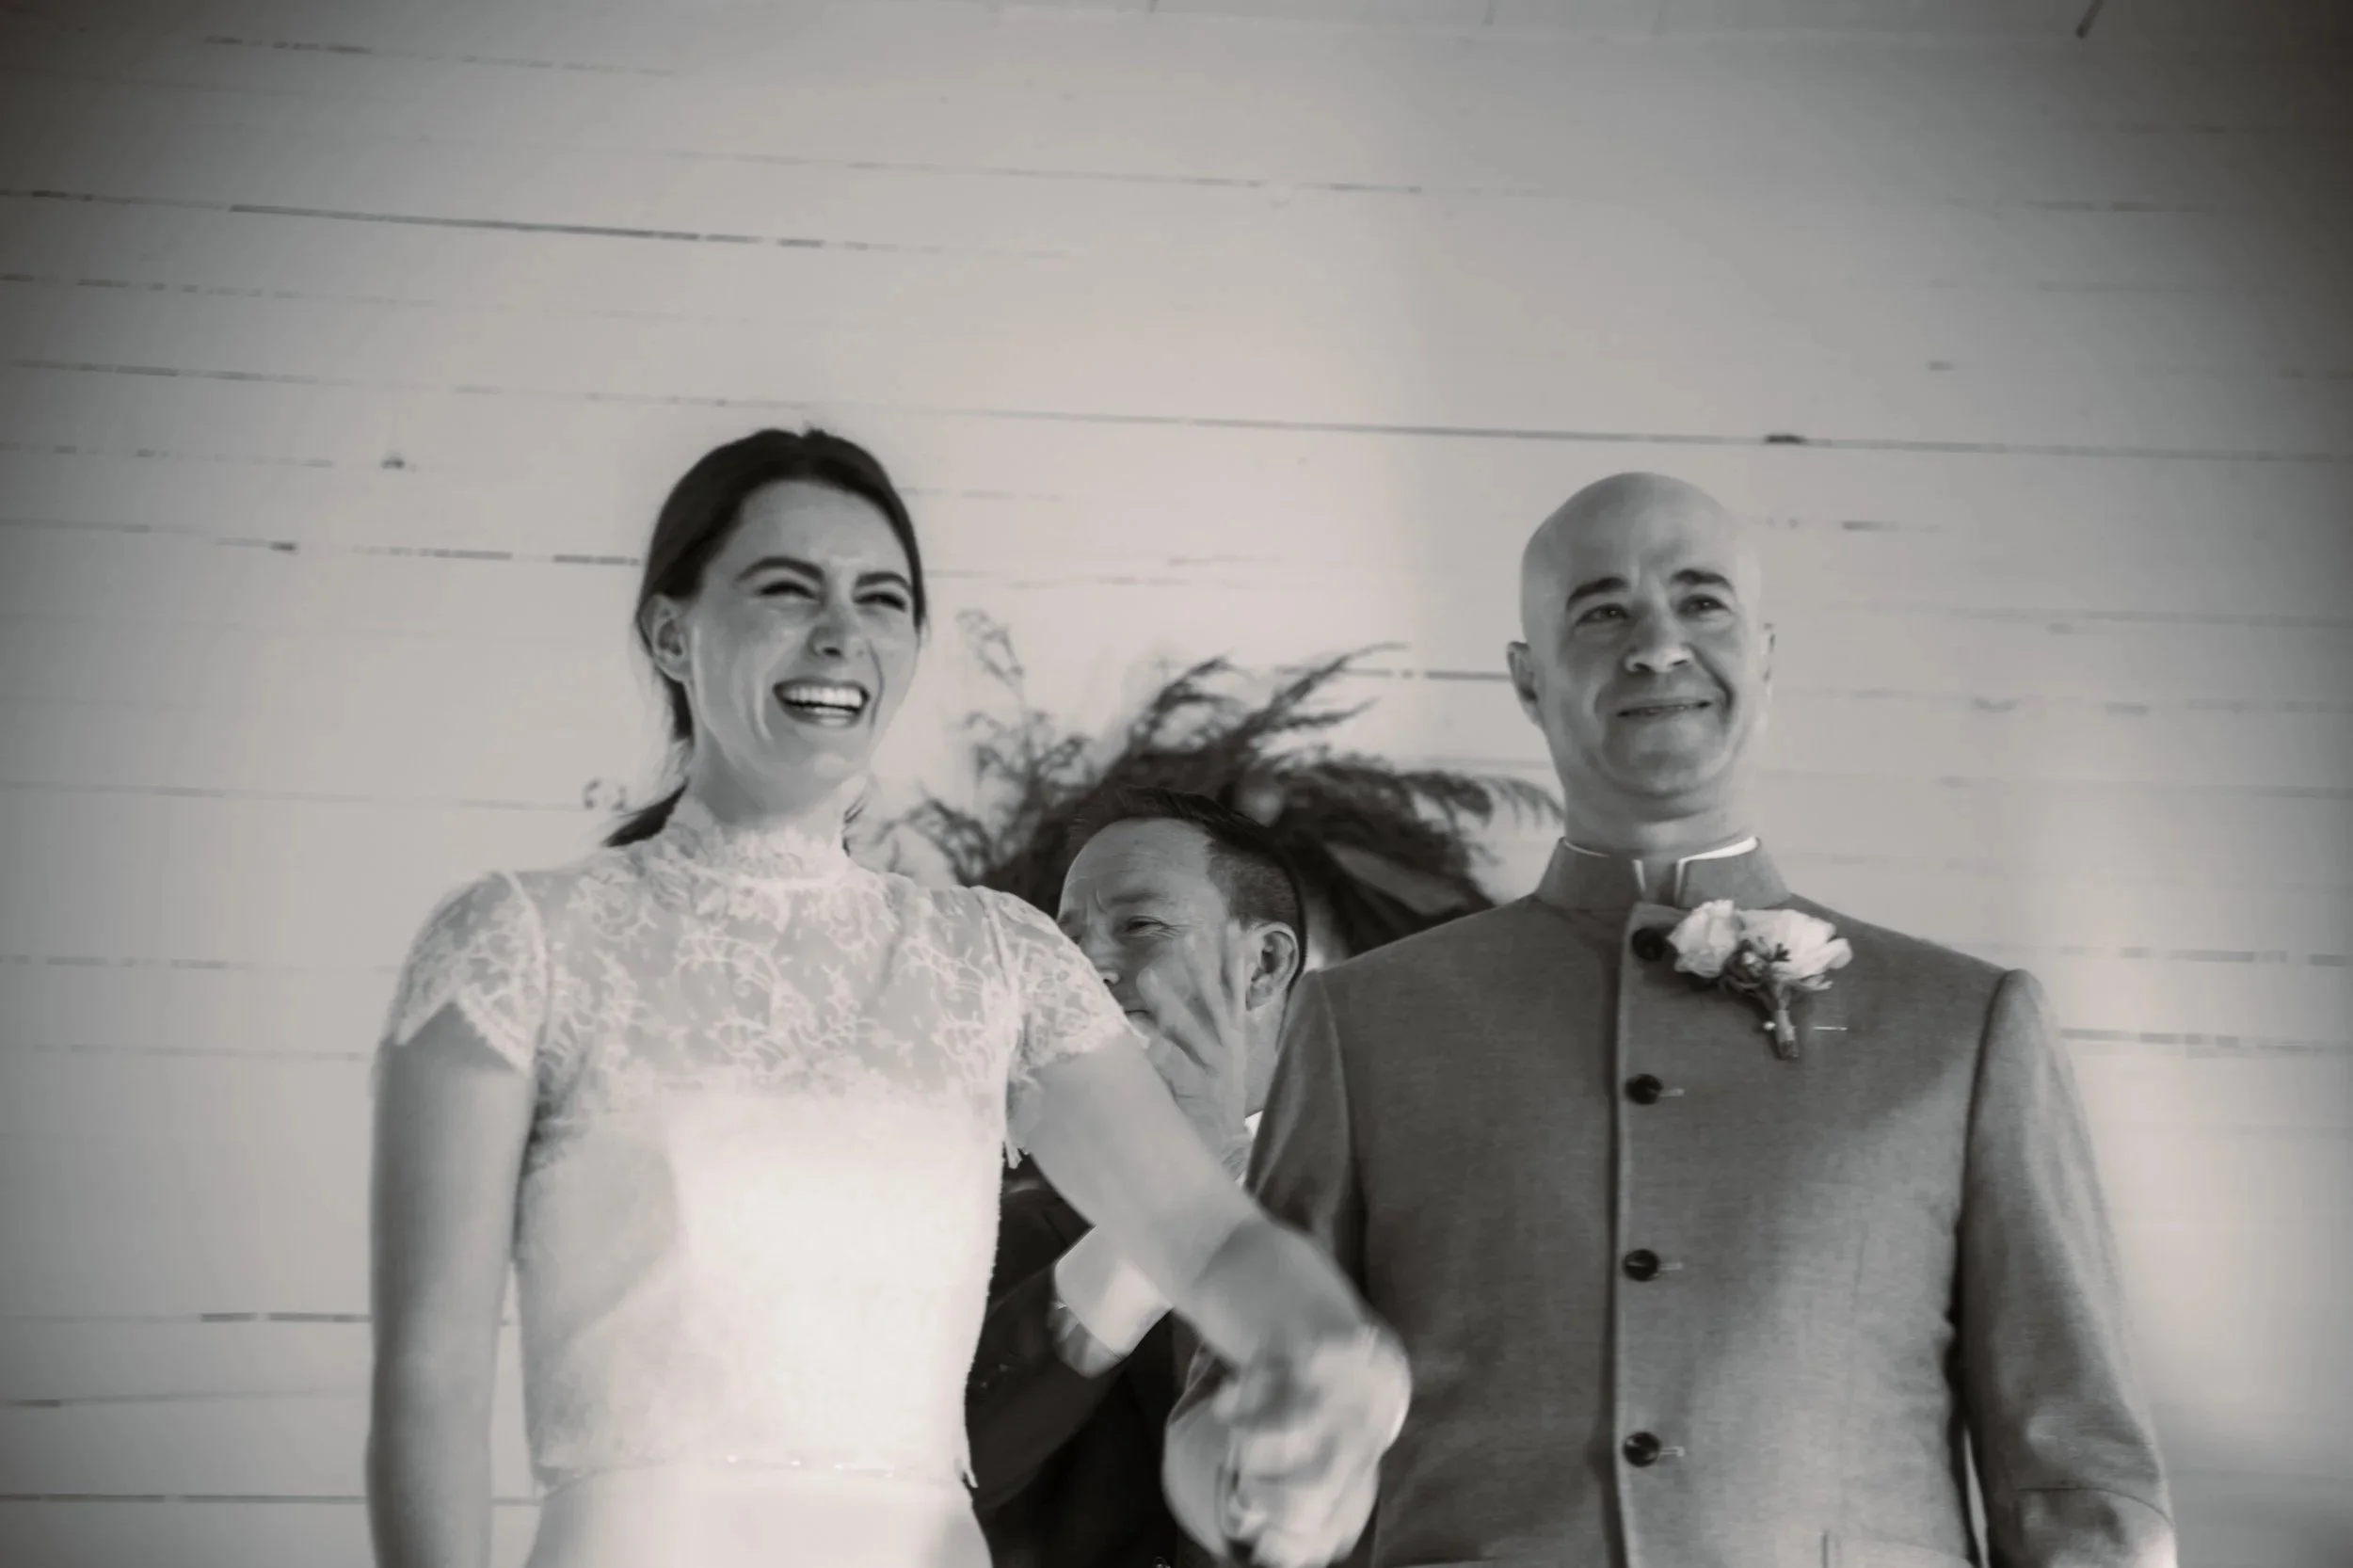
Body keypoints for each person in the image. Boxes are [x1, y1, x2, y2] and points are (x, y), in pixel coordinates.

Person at [363, 428, 1410, 1568]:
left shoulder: (999, 962)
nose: (839, 633)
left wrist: (1329, 1352)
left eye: (880, 598)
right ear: (672, 631)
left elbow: (1207, 1238)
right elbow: (431, 1380)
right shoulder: (515, 945)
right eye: (785, 587)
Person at [1166, 472, 2176, 1567]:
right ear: (1527, 679)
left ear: (1767, 653)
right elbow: (1230, 1418)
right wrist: (1262, 1467)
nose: (1655, 646)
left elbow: (2072, 1477)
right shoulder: (1363, 1023)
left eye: (1701, 602)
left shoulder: (1965, 1028)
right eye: (1600, 610)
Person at [966, 788, 1306, 1568]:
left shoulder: (1377, 1197)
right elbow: (935, 1469)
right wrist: (1160, 1223)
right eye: (1067, 942)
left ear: (1265, 964)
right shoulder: (992, 1219)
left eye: (1141, 927)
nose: (1087, 968)